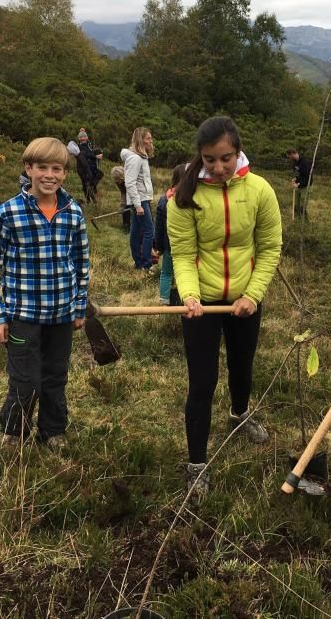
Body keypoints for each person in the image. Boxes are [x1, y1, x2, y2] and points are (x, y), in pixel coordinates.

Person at [167, 116, 282, 499]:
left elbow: (268, 249)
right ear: (199, 156)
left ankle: (239, 414)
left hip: (245, 300)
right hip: (202, 303)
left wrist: (253, 294)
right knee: (201, 381)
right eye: (209, 159)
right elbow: (183, 254)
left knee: (242, 364)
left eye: (226, 158)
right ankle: (197, 463)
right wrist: (189, 295)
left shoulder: (260, 190)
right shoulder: (184, 196)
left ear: (238, 152)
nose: (217, 168)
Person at [0, 137, 89, 449]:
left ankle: (52, 432)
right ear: (29, 168)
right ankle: (14, 433)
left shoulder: (73, 213)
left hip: (61, 316)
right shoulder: (8, 213)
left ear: (65, 173)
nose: (49, 175)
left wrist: (79, 308)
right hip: (23, 317)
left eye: (57, 168)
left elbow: (81, 263)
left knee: (55, 377)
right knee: (25, 381)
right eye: (42, 168)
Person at [121, 127, 156, 270]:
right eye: (148, 138)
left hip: (142, 199)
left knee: (136, 231)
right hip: (139, 200)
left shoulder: (141, 157)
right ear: (140, 140)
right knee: (149, 231)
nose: (151, 141)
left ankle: (138, 262)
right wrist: (138, 205)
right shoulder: (135, 158)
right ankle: (146, 264)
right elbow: (130, 182)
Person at [154, 163, 187, 305]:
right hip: (186, 246)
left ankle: (164, 300)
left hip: (169, 245)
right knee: (185, 274)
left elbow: (159, 227)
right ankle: (184, 299)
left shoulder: (164, 200)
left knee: (166, 273)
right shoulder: (193, 199)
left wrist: (159, 247)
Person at [76, 128, 104, 204]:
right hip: (83, 168)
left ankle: (92, 189)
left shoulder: (89, 144)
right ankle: (90, 201)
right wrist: (96, 157)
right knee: (85, 185)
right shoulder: (78, 147)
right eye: (81, 137)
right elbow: (84, 154)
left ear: (87, 138)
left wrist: (99, 153)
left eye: (84, 137)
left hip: (92, 167)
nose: (83, 138)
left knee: (99, 174)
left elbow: (91, 151)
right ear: (79, 139)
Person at [285, 148, 312, 218]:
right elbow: (297, 173)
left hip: (305, 186)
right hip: (297, 186)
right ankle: (297, 221)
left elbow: (308, 178)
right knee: (296, 205)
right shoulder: (295, 162)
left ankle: (305, 223)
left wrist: (299, 184)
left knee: (302, 206)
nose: (289, 158)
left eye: (289, 156)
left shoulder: (305, 162)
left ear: (292, 154)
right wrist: (295, 179)